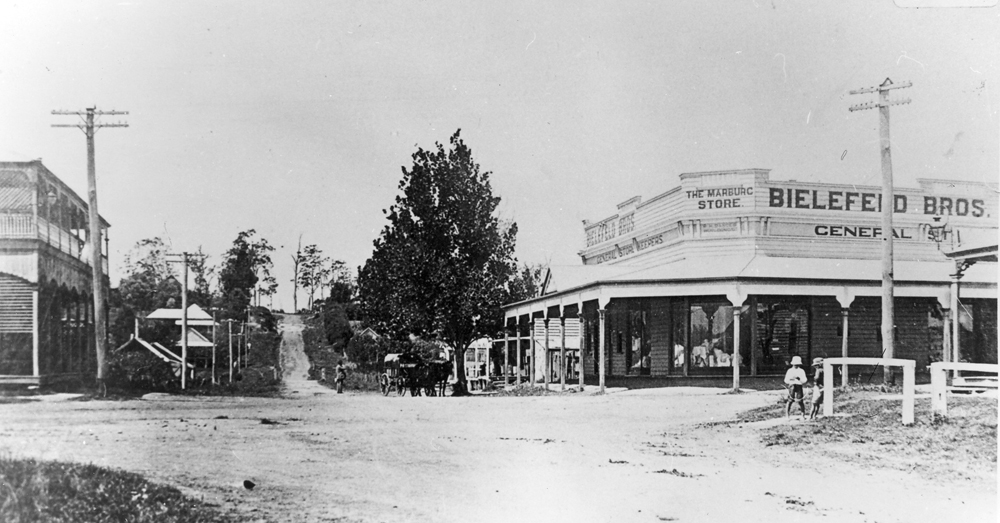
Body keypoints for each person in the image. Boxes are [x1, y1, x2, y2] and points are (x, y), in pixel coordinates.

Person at [784, 355, 807, 419]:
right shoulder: (790, 371)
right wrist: (791, 379)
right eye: (795, 364)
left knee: (800, 400)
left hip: (799, 385)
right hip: (792, 386)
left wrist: (799, 379)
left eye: (797, 364)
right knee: (790, 400)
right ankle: (787, 415)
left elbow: (804, 380)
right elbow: (786, 380)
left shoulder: (801, 371)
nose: (796, 366)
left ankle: (803, 415)